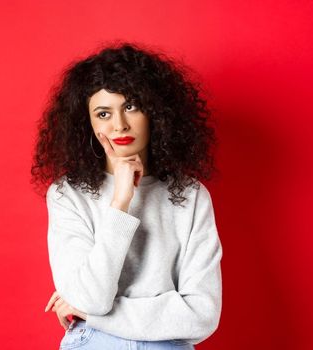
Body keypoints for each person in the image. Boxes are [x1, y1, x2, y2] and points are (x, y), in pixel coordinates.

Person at [31, 41, 222, 349]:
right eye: (103, 113)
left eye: (131, 106)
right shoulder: (68, 194)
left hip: (165, 344)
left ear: (155, 111)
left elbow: (202, 315)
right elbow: (93, 297)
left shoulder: (190, 196)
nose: (119, 125)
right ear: (88, 124)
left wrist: (94, 314)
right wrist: (121, 201)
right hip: (94, 342)